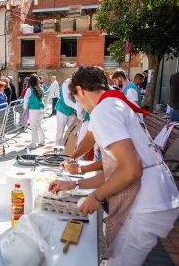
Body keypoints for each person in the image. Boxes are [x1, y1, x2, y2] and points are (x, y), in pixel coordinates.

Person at [49, 66, 179, 266]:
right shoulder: (113, 103)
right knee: (116, 256)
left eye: (76, 98)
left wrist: (96, 196)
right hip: (159, 198)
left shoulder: (104, 111)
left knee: (119, 261)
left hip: (149, 203)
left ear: (81, 90)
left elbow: (130, 171)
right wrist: (74, 185)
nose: (79, 104)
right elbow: (116, 170)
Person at [23, 74, 45, 148]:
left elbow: (25, 99)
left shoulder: (29, 89)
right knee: (38, 125)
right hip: (41, 109)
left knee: (33, 126)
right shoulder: (41, 88)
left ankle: (34, 143)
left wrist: (25, 107)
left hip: (34, 110)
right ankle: (42, 141)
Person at [55, 78, 77, 145]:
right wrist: (79, 108)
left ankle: (70, 150)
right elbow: (66, 100)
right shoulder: (66, 83)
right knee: (60, 132)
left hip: (72, 111)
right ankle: (57, 150)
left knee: (73, 132)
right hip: (62, 110)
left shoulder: (78, 83)